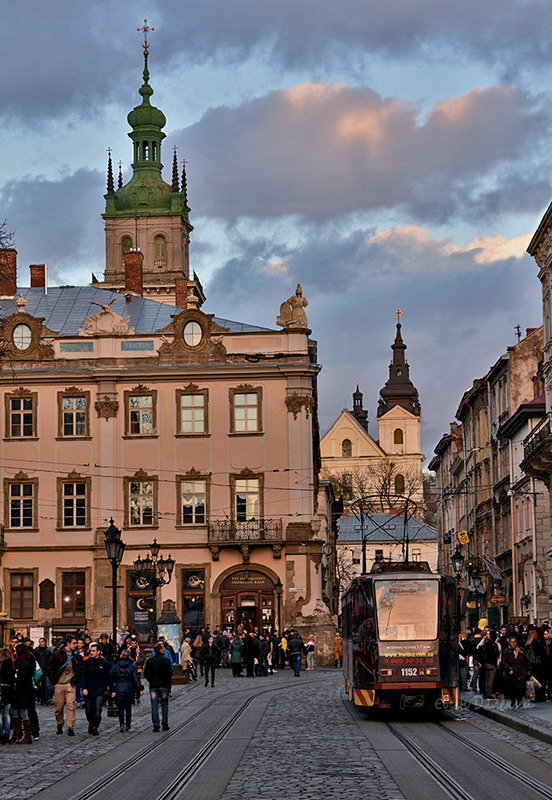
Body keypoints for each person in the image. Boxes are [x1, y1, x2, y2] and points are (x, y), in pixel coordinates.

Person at [47, 636, 83, 736]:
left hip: (70, 684)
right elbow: (49, 667)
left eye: (76, 643)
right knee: (59, 708)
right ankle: (59, 723)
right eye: (74, 643)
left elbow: (80, 670)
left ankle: (70, 727)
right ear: (68, 643)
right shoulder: (58, 654)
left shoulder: (77, 656)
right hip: (59, 684)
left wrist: (75, 680)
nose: (76, 645)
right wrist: (54, 682)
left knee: (71, 707)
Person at [81, 642, 111, 735]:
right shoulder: (87, 662)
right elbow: (83, 676)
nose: (92, 653)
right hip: (89, 689)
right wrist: (84, 688)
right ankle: (91, 722)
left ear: (98, 652)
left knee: (98, 709)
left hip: (100, 689)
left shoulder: (104, 663)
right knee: (89, 710)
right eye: (91, 651)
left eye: (94, 651)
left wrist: (110, 688)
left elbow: (108, 676)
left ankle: (95, 726)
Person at [10, 644, 37, 745]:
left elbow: (24, 677)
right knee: (15, 712)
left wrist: (16, 679)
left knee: (23, 712)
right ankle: (16, 734)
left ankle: (27, 736)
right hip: (21, 690)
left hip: (24, 690)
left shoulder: (24, 662)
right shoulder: (22, 660)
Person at [143, 642, 172, 732]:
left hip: (153, 686)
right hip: (163, 685)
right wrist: (168, 687)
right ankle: (164, 723)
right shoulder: (166, 661)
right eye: (163, 648)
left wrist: (151, 680)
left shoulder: (150, 661)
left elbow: (146, 674)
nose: (164, 650)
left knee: (154, 705)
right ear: (159, 649)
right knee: (164, 704)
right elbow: (169, 674)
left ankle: (156, 725)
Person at [111, 649, 143, 732]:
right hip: (129, 688)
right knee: (128, 708)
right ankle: (128, 724)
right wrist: (139, 688)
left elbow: (112, 678)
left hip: (119, 687)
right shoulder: (132, 666)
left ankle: (122, 724)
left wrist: (112, 689)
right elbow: (136, 678)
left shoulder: (116, 666)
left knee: (121, 708)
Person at [502, 635, 531, 708]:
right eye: (512, 642)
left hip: (521, 671)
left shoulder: (521, 650)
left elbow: (526, 661)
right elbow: (504, 662)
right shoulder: (506, 652)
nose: (513, 644)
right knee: (512, 688)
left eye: (514, 642)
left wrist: (528, 671)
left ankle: (519, 701)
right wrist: (509, 669)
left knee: (520, 687)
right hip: (511, 673)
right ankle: (513, 701)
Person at [526, 628, 547, 702]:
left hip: (531, 664)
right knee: (539, 680)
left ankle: (535, 696)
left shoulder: (528, 644)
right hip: (538, 664)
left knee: (534, 680)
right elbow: (541, 654)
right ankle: (540, 695)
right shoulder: (537, 643)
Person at [0, 648, 15, 745]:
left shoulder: (1, 665)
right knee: (7, 714)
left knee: (0, 715)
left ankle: (0, 735)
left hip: (1, 690)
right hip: (9, 690)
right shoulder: (11, 665)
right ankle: (7, 735)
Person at [34, 638, 53, 705]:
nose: (41, 643)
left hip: (46, 670)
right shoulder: (37, 650)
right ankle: (40, 698)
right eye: (40, 642)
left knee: (46, 685)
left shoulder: (48, 651)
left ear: (45, 642)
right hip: (39, 670)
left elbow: (51, 660)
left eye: (42, 641)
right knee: (39, 685)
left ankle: (45, 699)